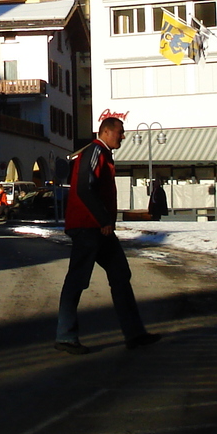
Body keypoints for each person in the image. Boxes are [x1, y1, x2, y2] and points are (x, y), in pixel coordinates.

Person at [55, 117, 160, 355]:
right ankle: (65, 336)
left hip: (97, 228)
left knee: (119, 274)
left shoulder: (101, 154)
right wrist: (103, 220)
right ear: (106, 132)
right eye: (120, 132)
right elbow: (83, 187)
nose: (123, 136)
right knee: (78, 280)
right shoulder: (95, 152)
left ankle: (134, 334)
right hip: (88, 228)